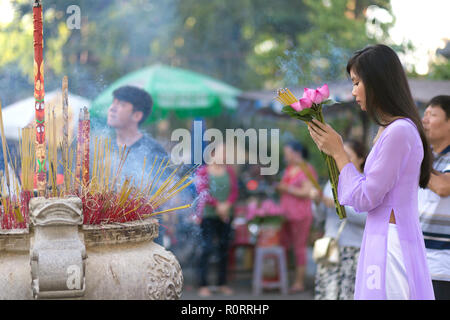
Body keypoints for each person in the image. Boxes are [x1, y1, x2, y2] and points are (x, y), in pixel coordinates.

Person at [307, 44, 435, 300]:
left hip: (390, 243)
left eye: (357, 82)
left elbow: (367, 197)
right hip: (382, 236)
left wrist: (339, 153)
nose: (353, 91)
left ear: (377, 82)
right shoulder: (391, 130)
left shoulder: (398, 131)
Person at [106, 85, 170, 245]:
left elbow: (163, 193)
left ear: (137, 115)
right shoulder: (103, 149)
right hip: (108, 233)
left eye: (121, 104)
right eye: (113, 102)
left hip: (145, 235)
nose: (112, 108)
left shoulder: (153, 150)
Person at [313, 139, 368, 300]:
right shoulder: (333, 182)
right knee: (328, 294)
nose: (340, 158)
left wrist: (338, 206)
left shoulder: (365, 184)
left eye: (347, 155)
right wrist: (317, 203)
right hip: (331, 250)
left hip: (354, 251)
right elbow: (319, 218)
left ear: (360, 158)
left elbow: (366, 218)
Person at [194, 142, 238, 297]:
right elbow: (203, 192)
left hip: (225, 215)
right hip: (208, 215)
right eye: (222, 152)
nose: (224, 156)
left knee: (224, 247)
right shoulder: (203, 172)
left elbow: (234, 191)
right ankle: (203, 284)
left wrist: (226, 205)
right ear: (212, 154)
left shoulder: (230, 171)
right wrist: (218, 205)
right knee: (206, 248)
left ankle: (222, 283)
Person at [419, 95, 450, 300]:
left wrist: (414, 162)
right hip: (416, 261)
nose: (424, 120)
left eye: (433, 114)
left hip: (442, 266)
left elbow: (443, 186)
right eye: (425, 114)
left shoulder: (419, 161)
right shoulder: (424, 156)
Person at [277, 140, 318, 293]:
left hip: (301, 214)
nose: (286, 157)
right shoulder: (289, 169)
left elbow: (307, 192)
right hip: (286, 214)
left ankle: (299, 282)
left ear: (297, 153)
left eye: (288, 154)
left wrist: (287, 188)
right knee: (286, 246)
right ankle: (286, 278)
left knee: (299, 247)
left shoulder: (306, 169)